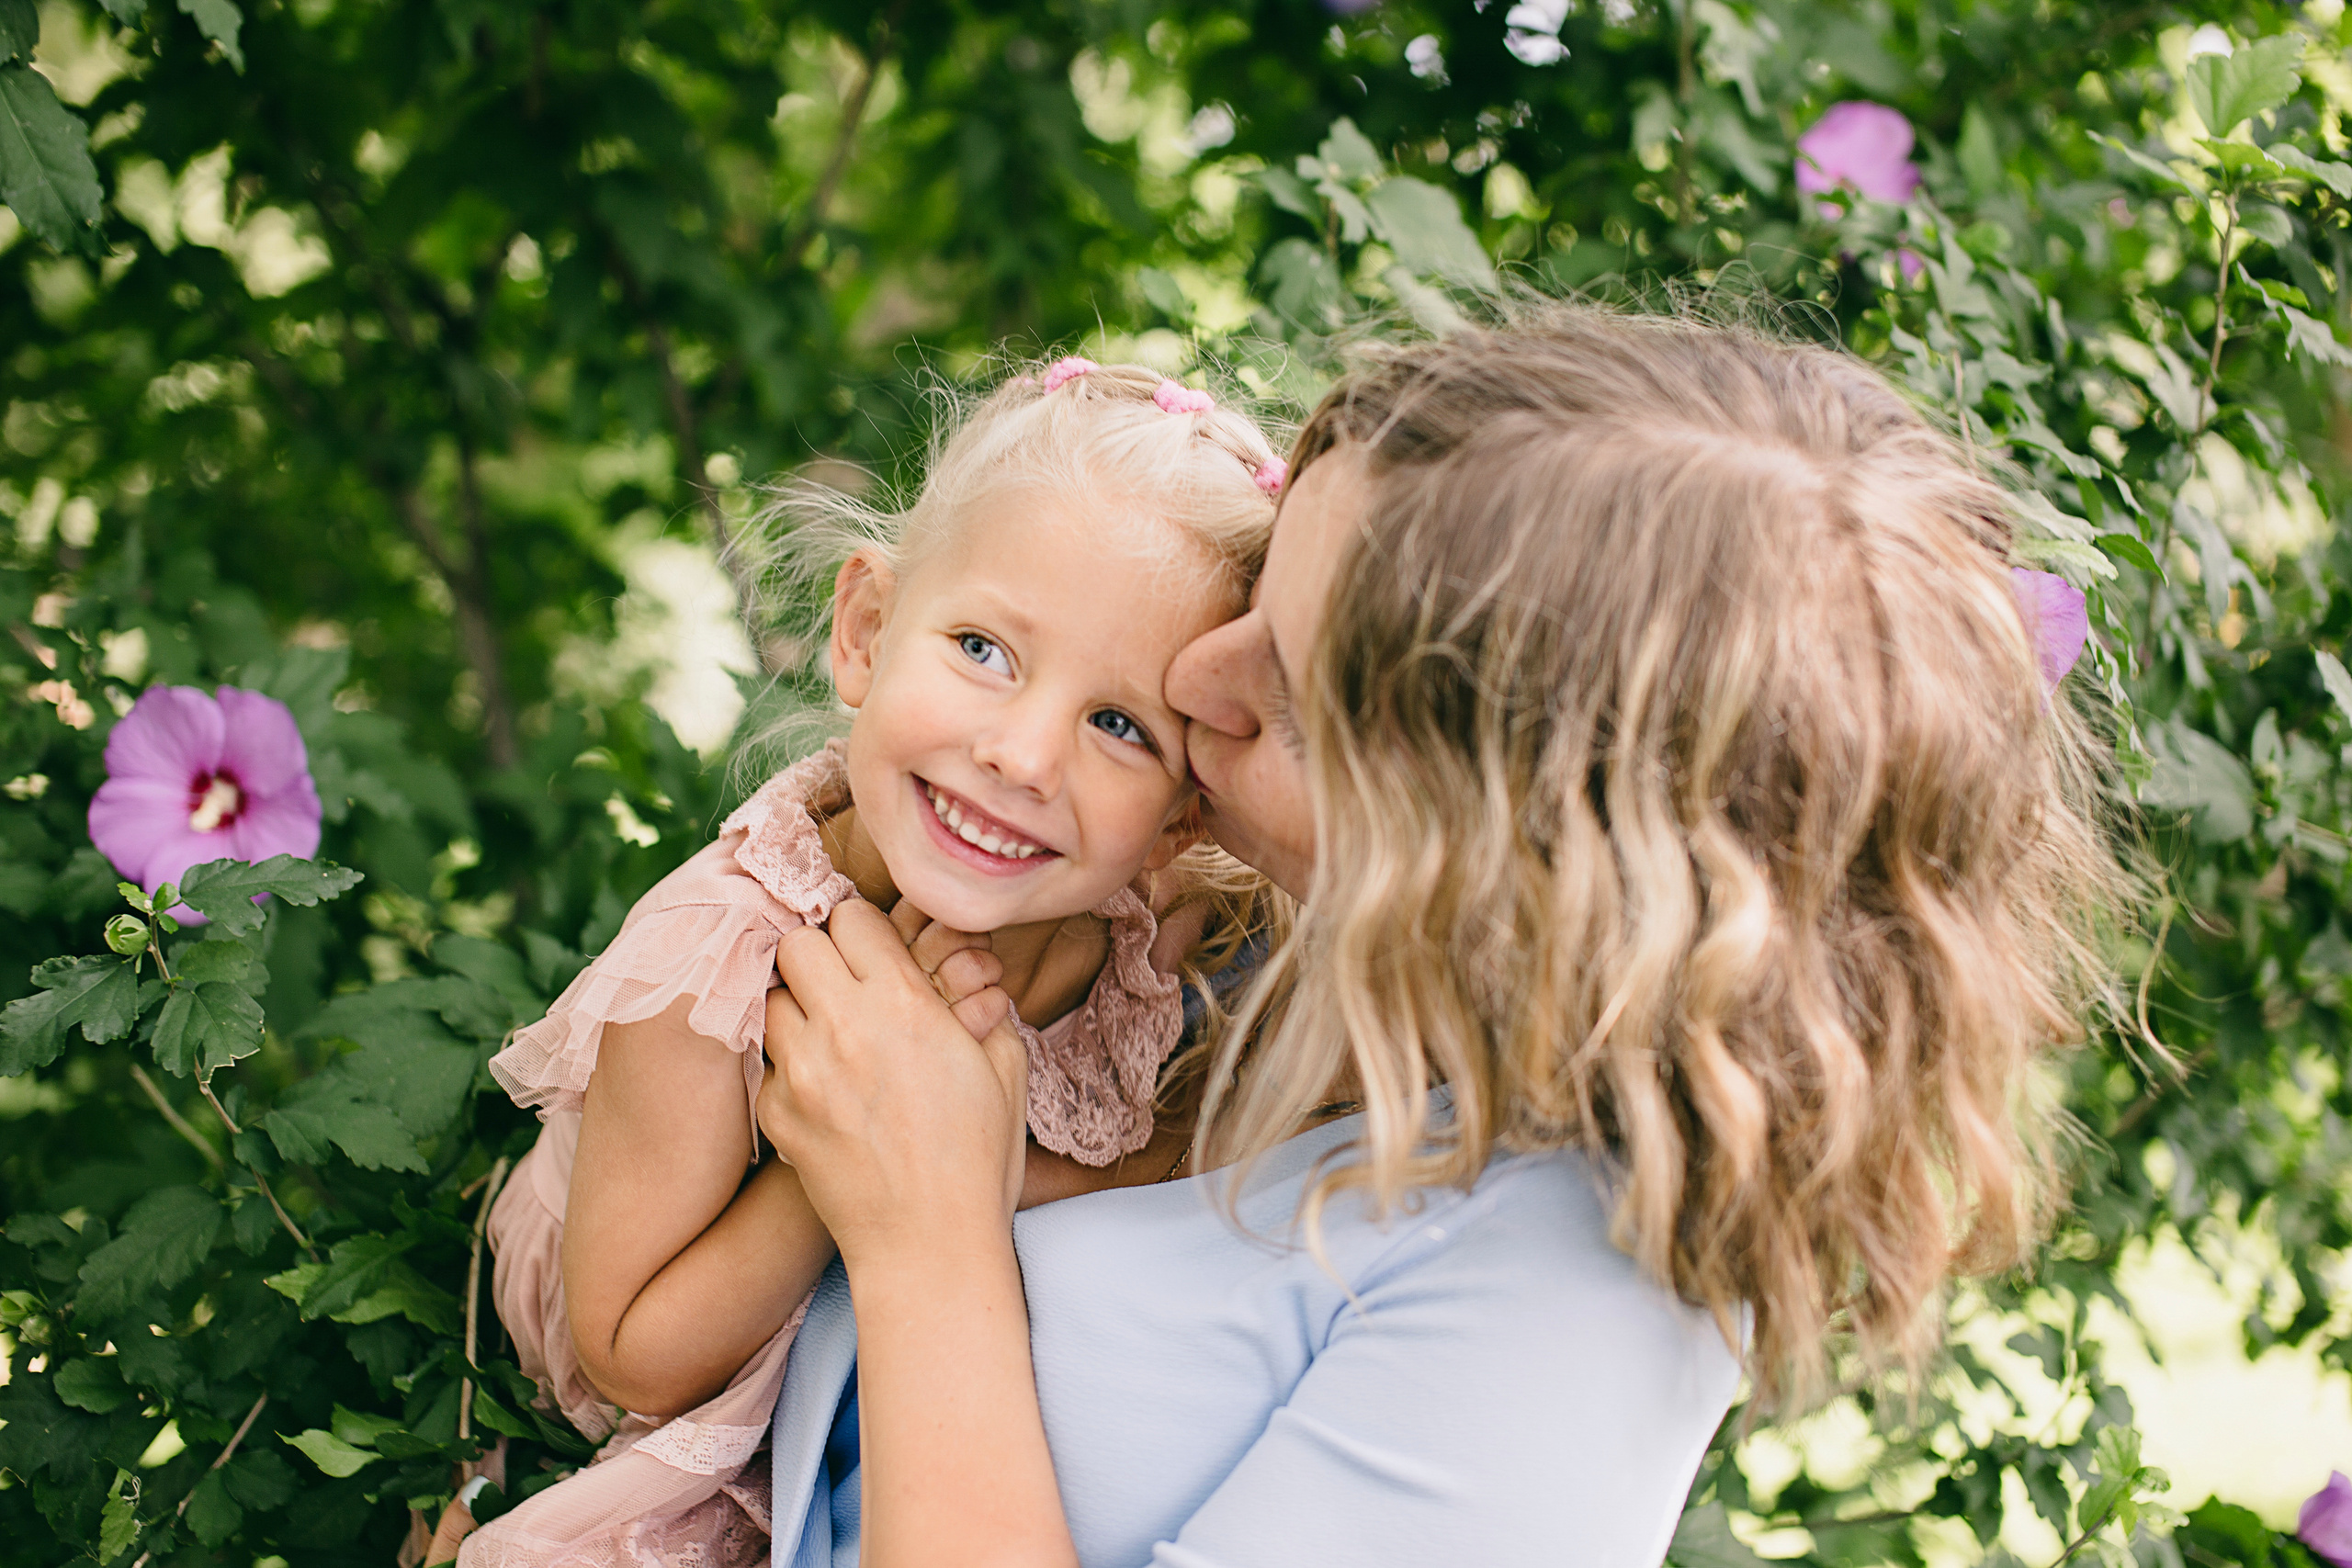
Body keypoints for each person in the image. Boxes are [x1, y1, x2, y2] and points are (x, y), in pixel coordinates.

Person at [752, 305, 2120, 1567]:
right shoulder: (1222, 944)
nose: (1192, 679)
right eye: (1262, 592)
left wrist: (929, 1250)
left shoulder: (1584, 1294)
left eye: (1295, 705)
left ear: (1518, 857)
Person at [454, 358, 1290, 1567]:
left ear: (1179, 821)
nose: (1022, 756)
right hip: (676, 1341)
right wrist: (850, 1143)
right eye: (984, 649)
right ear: (865, 632)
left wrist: (973, 1152)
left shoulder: (1132, 925)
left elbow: (1137, 1153)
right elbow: (627, 1354)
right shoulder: (716, 965)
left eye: (1119, 726)